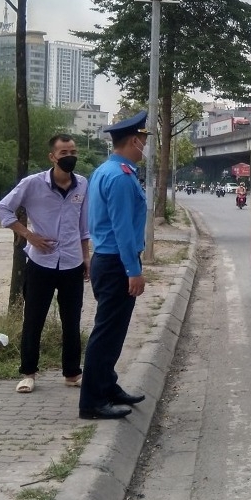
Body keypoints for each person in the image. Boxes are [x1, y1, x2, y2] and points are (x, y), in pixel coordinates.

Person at [0, 134, 90, 394]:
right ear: (52, 157)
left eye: (73, 151)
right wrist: (28, 235)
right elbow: (2, 209)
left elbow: (83, 226)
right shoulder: (32, 184)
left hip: (71, 263)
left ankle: (72, 373)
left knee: (72, 321)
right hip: (40, 265)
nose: (69, 156)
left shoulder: (82, 184)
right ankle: (28, 373)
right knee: (33, 320)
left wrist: (86, 257)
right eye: (63, 152)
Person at [78, 111, 151, 420]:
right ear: (134, 140)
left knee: (114, 330)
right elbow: (122, 227)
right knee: (107, 332)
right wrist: (133, 270)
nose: (145, 147)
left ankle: (108, 386)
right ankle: (92, 401)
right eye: (144, 142)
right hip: (115, 262)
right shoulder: (120, 177)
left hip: (107, 260)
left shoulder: (106, 170)